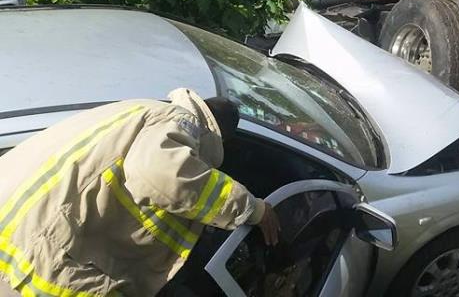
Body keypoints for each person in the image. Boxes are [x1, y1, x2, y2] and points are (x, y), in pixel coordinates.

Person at [0, 88, 280, 296]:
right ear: (217, 135)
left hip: (19, 239)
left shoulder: (139, 110)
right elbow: (162, 172)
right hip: (44, 256)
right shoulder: (183, 121)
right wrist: (252, 208)